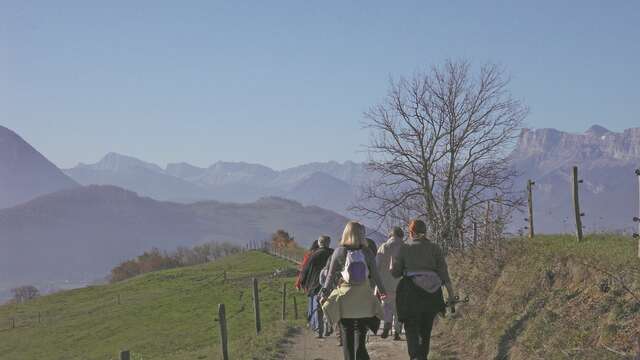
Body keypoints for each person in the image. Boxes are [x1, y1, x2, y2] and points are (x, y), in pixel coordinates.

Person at [391, 219, 456, 360]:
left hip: (410, 293)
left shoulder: (404, 248)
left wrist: (393, 265)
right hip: (432, 294)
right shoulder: (435, 248)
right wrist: (451, 295)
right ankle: (422, 357)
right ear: (425, 232)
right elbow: (444, 274)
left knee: (411, 326)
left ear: (411, 232)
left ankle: (414, 356)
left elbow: (396, 273)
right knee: (426, 329)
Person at [321, 221, 386, 360]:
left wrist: (324, 292)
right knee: (360, 335)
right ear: (361, 234)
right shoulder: (367, 252)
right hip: (363, 297)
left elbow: (330, 275)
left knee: (347, 336)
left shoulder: (339, 251)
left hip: (345, 298)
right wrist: (382, 291)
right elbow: (375, 274)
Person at [299, 236, 334, 338]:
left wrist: (303, 282)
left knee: (318, 308)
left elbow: (305, 270)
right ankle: (329, 327)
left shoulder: (313, 255)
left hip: (315, 285)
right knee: (329, 306)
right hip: (330, 284)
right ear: (328, 243)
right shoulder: (333, 253)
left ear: (319, 243)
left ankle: (319, 330)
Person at [376, 226, 405, 340]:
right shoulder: (405, 247)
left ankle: (387, 325)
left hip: (384, 284)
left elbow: (376, 266)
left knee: (386, 305)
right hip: (400, 284)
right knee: (399, 309)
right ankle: (397, 332)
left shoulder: (383, 247)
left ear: (390, 235)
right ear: (401, 235)